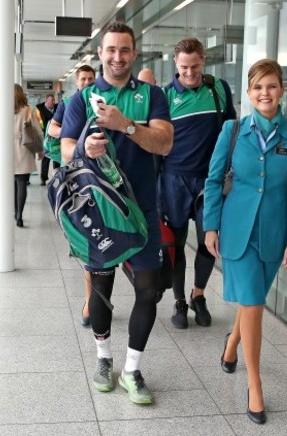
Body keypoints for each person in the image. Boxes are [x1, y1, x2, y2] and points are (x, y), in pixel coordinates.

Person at [60, 22, 173, 405]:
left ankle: (132, 369)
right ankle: (104, 360)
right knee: (102, 292)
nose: (117, 57)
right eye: (111, 50)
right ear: (101, 53)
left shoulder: (152, 95)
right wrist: (83, 150)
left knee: (148, 291)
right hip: (101, 214)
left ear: (134, 53)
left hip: (142, 211)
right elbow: (64, 150)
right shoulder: (83, 97)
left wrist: (124, 125)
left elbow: (164, 142)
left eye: (124, 50)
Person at [203, 59, 287, 424]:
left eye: (271, 86)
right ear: (249, 94)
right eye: (257, 87)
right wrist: (210, 226)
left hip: (274, 233)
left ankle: (231, 346)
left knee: (252, 303)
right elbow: (214, 180)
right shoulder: (232, 130)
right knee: (252, 304)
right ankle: (255, 384)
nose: (265, 93)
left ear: (282, 90)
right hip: (236, 231)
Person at [160, 37, 236, 329]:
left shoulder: (218, 88)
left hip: (210, 182)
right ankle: (179, 301)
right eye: (183, 67)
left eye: (195, 66)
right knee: (176, 243)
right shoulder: (166, 95)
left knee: (209, 242)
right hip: (174, 181)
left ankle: (198, 295)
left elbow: (231, 129)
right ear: (175, 64)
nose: (189, 73)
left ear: (204, 61)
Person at [48, 65, 97, 327]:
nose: (87, 82)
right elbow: (53, 129)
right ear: (77, 81)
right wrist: (74, 133)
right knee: (90, 242)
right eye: (83, 79)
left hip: (102, 175)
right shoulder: (70, 103)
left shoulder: (101, 100)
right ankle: (90, 302)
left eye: (91, 79)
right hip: (76, 172)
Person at [13, 84, 42, 227]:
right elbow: (37, 131)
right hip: (24, 149)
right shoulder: (29, 110)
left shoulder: (1, 108)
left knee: (12, 184)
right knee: (22, 183)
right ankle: (19, 214)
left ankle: (14, 211)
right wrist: (41, 149)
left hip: (7, 151)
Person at [36, 94, 57, 184]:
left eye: (54, 100)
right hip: (45, 138)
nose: (53, 102)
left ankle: (57, 176)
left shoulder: (57, 108)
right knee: (46, 159)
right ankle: (43, 178)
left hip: (56, 138)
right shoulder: (39, 111)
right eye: (51, 100)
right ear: (46, 101)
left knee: (56, 158)